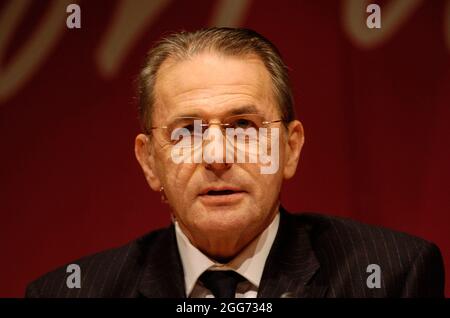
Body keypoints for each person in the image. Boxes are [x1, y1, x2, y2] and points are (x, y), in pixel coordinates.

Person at [26, 27, 444, 298]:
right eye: (186, 131)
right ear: (150, 161)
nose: (217, 156)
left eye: (243, 126)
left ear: (290, 148)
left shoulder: (389, 277)